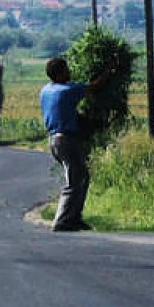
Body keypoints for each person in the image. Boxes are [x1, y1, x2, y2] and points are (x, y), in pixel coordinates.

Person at [40, 56, 111, 232]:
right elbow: (95, 87)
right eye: (66, 69)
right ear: (59, 73)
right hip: (66, 140)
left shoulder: (46, 90)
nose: (69, 72)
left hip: (54, 139)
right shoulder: (67, 90)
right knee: (74, 180)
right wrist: (109, 72)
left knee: (83, 176)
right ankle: (62, 220)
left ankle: (75, 217)